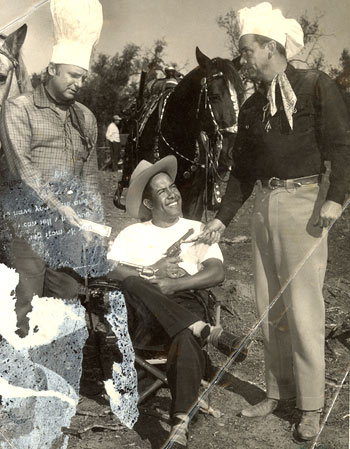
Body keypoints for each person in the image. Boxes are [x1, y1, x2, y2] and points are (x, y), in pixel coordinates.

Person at [201, 2, 350, 442]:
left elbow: (342, 145)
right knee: (270, 307)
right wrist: (223, 220)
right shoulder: (251, 107)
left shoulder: (315, 86)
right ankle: (276, 390)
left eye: (247, 51)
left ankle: (310, 405)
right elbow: (243, 173)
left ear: (270, 47)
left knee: (303, 309)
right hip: (265, 208)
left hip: (305, 205)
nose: (242, 59)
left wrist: (337, 198)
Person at [107, 155, 248, 448]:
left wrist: (176, 284)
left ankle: (179, 423)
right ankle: (202, 329)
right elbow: (112, 269)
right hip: (144, 312)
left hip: (186, 300)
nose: (172, 193)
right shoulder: (132, 233)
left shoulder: (198, 228)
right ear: (148, 204)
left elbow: (216, 272)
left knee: (184, 333)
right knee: (132, 281)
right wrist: (153, 272)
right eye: (162, 191)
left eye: (172, 186)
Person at [0, 0, 104, 338]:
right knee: (25, 301)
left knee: (68, 299)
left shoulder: (86, 117)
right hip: (27, 219)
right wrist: (61, 209)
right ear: (51, 70)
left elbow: (90, 176)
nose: (78, 83)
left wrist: (94, 223)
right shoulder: (20, 109)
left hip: (69, 227)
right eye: (73, 75)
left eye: (83, 78)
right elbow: (22, 170)